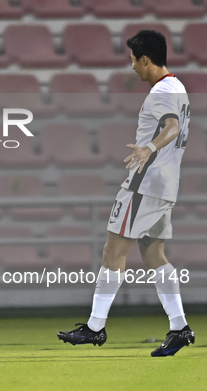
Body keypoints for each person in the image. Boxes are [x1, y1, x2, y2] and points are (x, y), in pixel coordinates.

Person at [57, 30, 194, 357]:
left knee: (112, 252)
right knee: (153, 255)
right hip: (166, 185)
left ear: (146, 59)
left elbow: (171, 127)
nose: (132, 66)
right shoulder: (179, 87)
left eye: (134, 60)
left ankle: (94, 327)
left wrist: (148, 146)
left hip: (144, 185)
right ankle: (179, 328)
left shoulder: (161, 92)